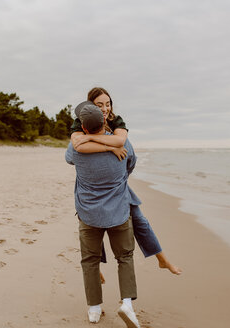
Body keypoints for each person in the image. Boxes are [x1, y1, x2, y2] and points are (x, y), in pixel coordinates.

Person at [70, 88, 182, 277]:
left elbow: (121, 141)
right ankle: (95, 266)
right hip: (93, 183)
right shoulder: (80, 122)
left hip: (117, 184)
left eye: (108, 104)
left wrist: (91, 138)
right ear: (91, 107)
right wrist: (109, 147)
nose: (105, 109)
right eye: (99, 105)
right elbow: (77, 145)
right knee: (93, 222)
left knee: (140, 220)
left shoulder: (116, 120)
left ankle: (162, 259)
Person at [65, 103, 142, 328]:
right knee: (125, 256)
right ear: (104, 121)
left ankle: (94, 308)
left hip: (89, 212)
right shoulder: (122, 142)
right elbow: (131, 163)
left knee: (89, 260)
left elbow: (70, 158)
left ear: (84, 129)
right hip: (118, 210)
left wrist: (91, 143)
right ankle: (127, 303)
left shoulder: (77, 147)